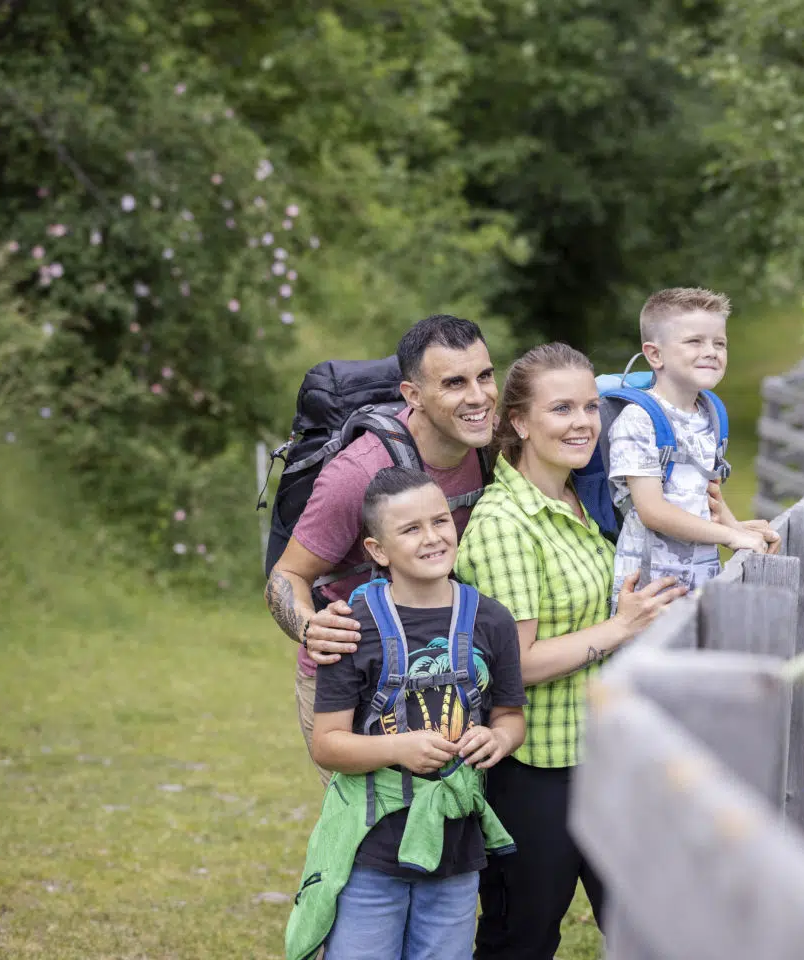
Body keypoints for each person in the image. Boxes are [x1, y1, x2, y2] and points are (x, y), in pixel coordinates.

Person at [453, 343, 686, 960]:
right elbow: (514, 666)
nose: (583, 422)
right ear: (520, 423)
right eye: (561, 408)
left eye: (590, 406)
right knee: (521, 940)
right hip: (535, 771)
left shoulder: (580, 499)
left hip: (602, 754)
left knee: (650, 927)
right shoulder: (507, 523)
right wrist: (618, 630)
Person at [286, 466, 526, 960]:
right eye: (410, 529)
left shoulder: (492, 620)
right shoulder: (350, 626)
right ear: (377, 550)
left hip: (457, 854)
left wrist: (499, 741)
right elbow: (327, 744)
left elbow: (509, 717)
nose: (433, 537)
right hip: (371, 852)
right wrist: (400, 747)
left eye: (440, 521)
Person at [266, 315, 498, 784]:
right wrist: (312, 629)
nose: (478, 396)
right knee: (373, 837)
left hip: (443, 668)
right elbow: (286, 575)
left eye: (485, 375)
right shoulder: (359, 471)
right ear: (412, 395)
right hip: (357, 683)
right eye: (454, 383)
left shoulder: (490, 445)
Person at [607, 287, 778, 610]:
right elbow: (652, 511)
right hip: (651, 592)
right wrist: (729, 537)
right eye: (694, 342)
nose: (711, 351)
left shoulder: (710, 414)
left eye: (719, 343)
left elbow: (707, 494)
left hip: (702, 584)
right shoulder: (639, 421)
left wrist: (736, 527)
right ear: (655, 355)